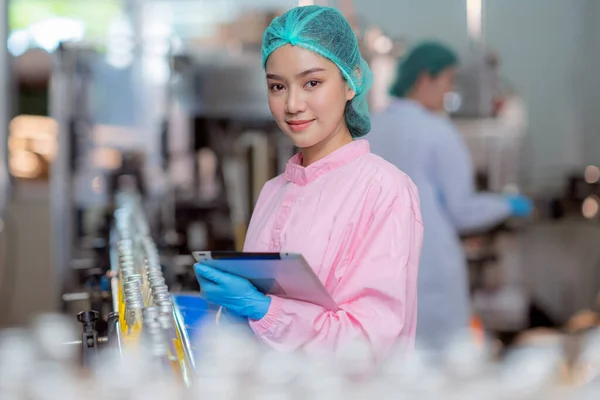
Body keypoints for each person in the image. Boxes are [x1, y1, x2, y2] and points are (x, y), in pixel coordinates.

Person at [194, 5, 423, 362]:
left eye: (312, 83)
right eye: (277, 86)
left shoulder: (383, 189)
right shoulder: (274, 191)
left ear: (351, 81)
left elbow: (368, 344)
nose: (293, 104)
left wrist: (265, 311)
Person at [368, 41, 533, 352]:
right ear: (424, 79)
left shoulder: (370, 129)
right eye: (447, 81)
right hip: (431, 270)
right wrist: (506, 204)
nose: (450, 91)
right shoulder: (438, 132)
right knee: (444, 368)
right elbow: (461, 211)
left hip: (380, 270)